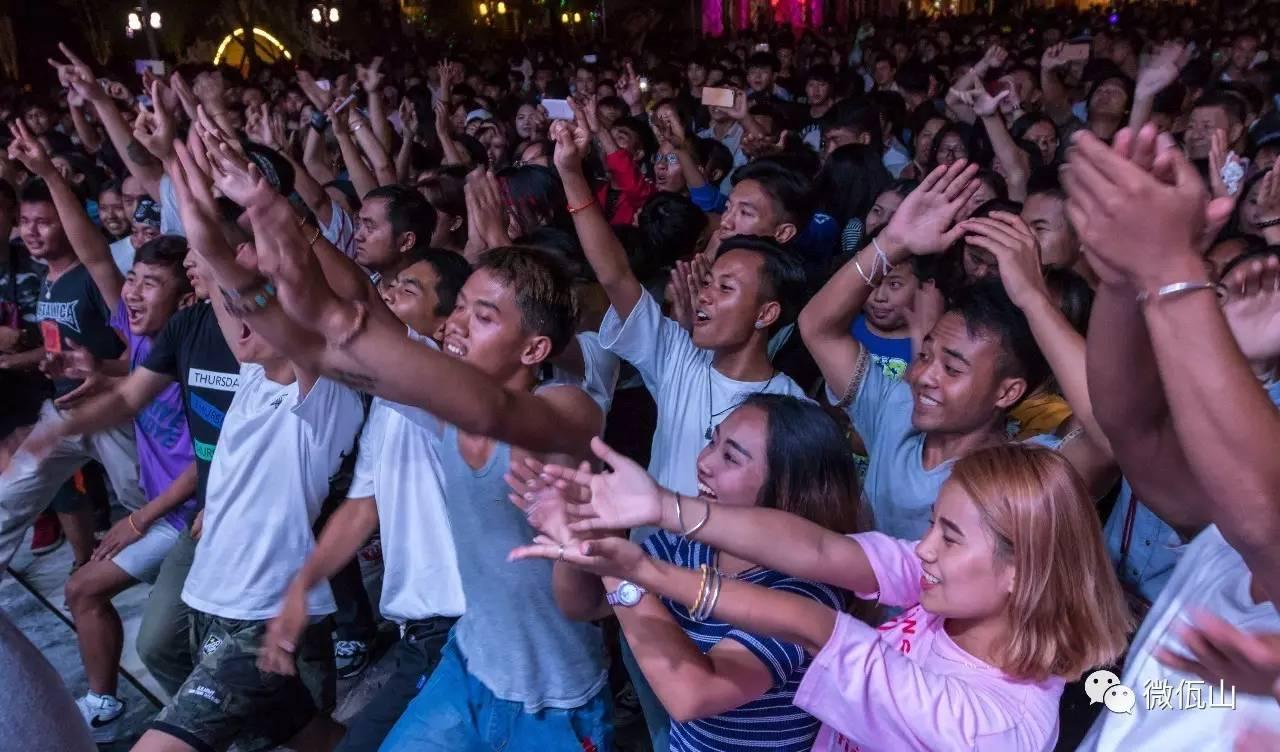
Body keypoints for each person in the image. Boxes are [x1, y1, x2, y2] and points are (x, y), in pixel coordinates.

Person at [533, 438, 1130, 752]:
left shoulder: (994, 725)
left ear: (1020, 573)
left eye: (948, 537)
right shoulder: (956, 597)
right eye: (931, 526)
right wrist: (665, 506)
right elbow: (821, 551)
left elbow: (811, 622)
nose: (923, 550)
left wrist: (638, 568)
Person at [1066, 123, 1280, 750]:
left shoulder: (1256, 521)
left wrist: (1170, 269)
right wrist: (1127, 283)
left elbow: (1269, 516)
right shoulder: (1223, 544)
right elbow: (1134, 425)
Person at [512, 395, 856, 752]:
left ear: (788, 493)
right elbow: (587, 604)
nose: (705, 461)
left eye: (731, 457)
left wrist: (618, 570)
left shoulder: (806, 594)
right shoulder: (690, 545)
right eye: (713, 439)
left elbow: (693, 695)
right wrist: (582, 537)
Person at [261, 248, 471, 752]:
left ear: (445, 325)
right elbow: (361, 507)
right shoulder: (389, 403)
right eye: (391, 284)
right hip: (422, 632)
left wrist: (295, 229)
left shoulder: (439, 379)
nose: (390, 293)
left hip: (457, 628)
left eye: (408, 289)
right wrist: (302, 585)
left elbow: (362, 303)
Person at [0, 153, 142, 575]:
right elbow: (55, 346)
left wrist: (102, 373)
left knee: (147, 505)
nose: (31, 231)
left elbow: (137, 353)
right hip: (64, 413)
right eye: (25, 221)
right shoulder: (49, 277)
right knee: (9, 497)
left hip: (112, 411)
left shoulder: (95, 277)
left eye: (43, 221)